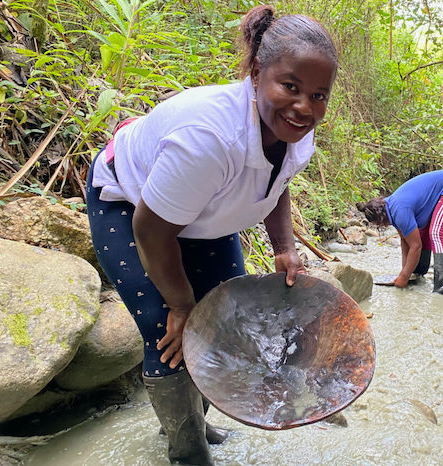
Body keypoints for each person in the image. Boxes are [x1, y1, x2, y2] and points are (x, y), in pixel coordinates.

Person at [85, 5, 338, 465]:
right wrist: (182, 305)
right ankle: (187, 452)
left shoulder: (297, 131)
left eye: (319, 95)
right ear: (259, 71)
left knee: (221, 321)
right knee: (173, 334)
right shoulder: (208, 137)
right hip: (132, 206)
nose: (305, 107)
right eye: (291, 87)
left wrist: (283, 247)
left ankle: (200, 423)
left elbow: (278, 183)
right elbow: (151, 228)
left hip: (200, 216)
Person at [357, 170, 443, 294]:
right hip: (440, 193)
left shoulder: (399, 211)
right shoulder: (390, 208)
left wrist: (403, 278)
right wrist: (404, 273)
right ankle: (417, 274)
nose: (380, 226)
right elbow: (405, 242)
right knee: (421, 234)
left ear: (380, 218)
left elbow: (416, 247)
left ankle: (441, 289)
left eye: (378, 224)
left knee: (436, 234)